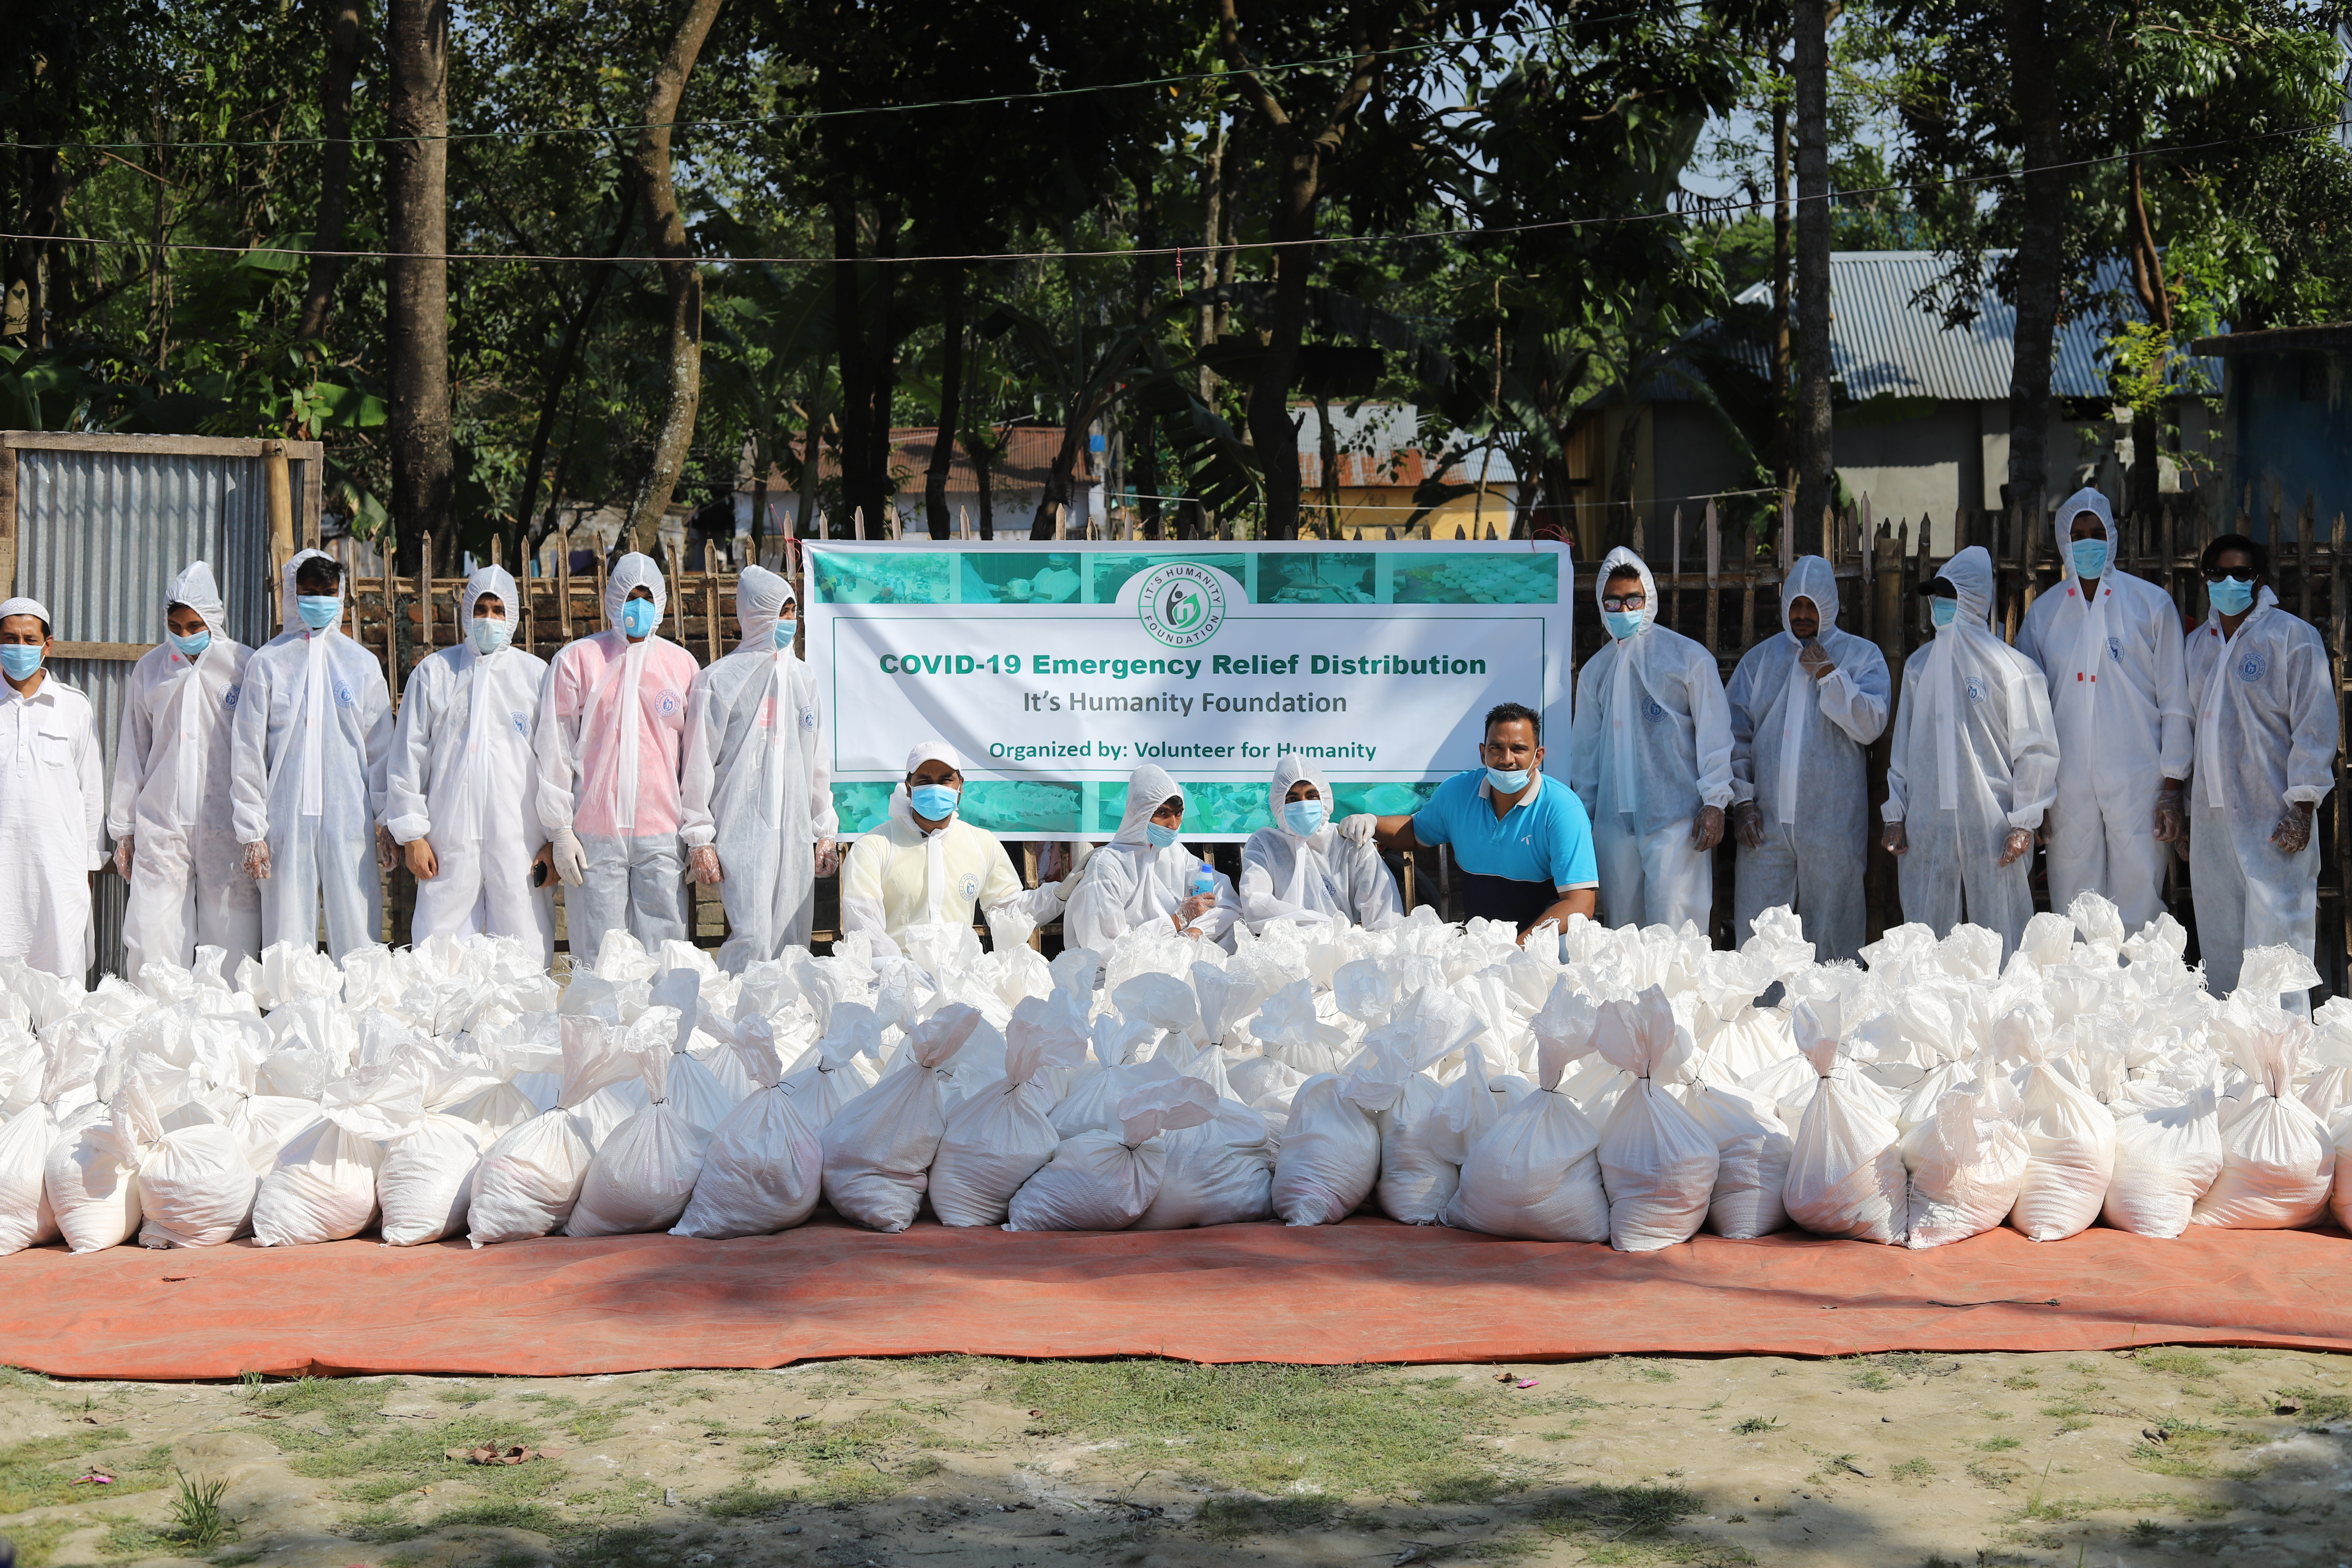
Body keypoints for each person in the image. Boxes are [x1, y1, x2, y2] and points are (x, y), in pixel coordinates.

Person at [2015, 487, 2191, 933]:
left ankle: (2140, 999)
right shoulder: (2045, 615)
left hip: (2139, 778)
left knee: (2140, 896)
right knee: (2074, 900)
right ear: (2063, 540)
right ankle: (2083, 999)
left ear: (2113, 536)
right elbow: (2027, 713)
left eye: (2097, 532)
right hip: (2066, 783)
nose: (2089, 542)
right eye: (2078, 534)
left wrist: (2173, 785)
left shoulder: (2150, 605)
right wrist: (2034, 797)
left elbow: (2175, 703)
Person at [1881, 545, 2060, 962]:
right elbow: (1904, 750)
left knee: (2001, 934)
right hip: (1928, 826)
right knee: (1926, 937)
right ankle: (1930, 1022)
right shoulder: (1918, 667)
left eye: (1949, 595)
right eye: (1935, 596)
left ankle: (2003, 1021)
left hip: (1994, 825)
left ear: (1975, 599)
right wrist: (1896, 814)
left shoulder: (2012, 668)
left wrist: (2024, 821)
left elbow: (2035, 750)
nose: (1938, 606)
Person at [2184, 534, 2338, 1013]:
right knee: (2222, 943)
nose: (2230, 582)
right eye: (2219, 573)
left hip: (2275, 818)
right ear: (2205, 579)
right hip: (2213, 822)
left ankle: (2284, 1065)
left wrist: (2304, 804)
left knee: (2278, 951)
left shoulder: (2291, 637)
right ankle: (2236, 1066)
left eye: (2242, 573)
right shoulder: (2197, 647)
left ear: (2260, 579)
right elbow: (2193, 730)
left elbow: (2314, 724)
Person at [534, 551, 701, 963]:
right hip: (594, 834)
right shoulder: (578, 661)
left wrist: (697, 836)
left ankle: (662, 1028)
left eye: (647, 597)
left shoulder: (682, 666)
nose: (639, 607)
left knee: (666, 955)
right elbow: (554, 747)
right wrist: (560, 830)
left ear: (661, 602)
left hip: (661, 831)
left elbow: (695, 760)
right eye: (630, 596)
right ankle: (599, 1030)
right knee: (598, 956)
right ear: (613, 599)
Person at [230, 550, 396, 960]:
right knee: (286, 935)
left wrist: (387, 820)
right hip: (284, 819)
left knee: (358, 928)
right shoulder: (268, 663)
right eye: (309, 593)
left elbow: (381, 751)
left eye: (328, 592)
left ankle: (360, 1019)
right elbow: (248, 750)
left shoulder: (361, 664)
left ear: (341, 596)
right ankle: (290, 1021)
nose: (319, 601)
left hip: (349, 818)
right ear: (293, 594)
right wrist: (252, 830)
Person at [1726, 556, 1890, 963]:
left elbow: (1871, 725)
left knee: (1834, 929)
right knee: (1759, 931)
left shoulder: (1861, 656)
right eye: (1795, 605)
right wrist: (1742, 802)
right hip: (1764, 824)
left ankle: (1831, 1018)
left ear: (1829, 607)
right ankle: (1758, 1020)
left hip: (1832, 826)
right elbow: (1733, 734)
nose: (1801, 615)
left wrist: (1830, 675)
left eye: (1811, 606)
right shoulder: (1761, 662)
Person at [386, 565, 554, 962]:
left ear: (512, 615)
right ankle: (444, 1025)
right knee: (439, 947)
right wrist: (412, 833)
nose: (490, 619)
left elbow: (555, 762)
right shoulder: (434, 673)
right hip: (447, 841)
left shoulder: (535, 677)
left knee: (524, 948)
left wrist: (553, 840)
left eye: (499, 610)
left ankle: (519, 1025)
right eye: (482, 608)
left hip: (520, 841)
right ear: (466, 612)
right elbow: (407, 756)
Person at [1566, 547, 1735, 931]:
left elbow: (1715, 734)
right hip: (1612, 826)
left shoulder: (1688, 658)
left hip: (1677, 821)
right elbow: (1586, 754)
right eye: (1613, 601)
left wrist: (1715, 802)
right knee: (1623, 934)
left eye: (1633, 599)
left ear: (1649, 599)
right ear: (1601, 603)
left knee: (1676, 932)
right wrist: (1588, 820)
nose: (1623, 610)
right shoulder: (1596, 671)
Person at [680, 566, 839, 972]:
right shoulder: (717, 681)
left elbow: (817, 761)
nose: (789, 621)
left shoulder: (806, 679)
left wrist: (824, 829)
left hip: (795, 829)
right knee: (750, 935)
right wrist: (700, 837)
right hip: (741, 829)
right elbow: (698, 763)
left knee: (794, 936)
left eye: (792, 611)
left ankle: (789, 1030)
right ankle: (741, 1027)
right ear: (755, 615)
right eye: (780, 612)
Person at [109, 561, 260, 981]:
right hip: (162, 824)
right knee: (153, 937)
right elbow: (134, 747)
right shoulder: (151, 669)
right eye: (175, 625)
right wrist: (123, 826)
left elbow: (258, 750)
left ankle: (228, 1035)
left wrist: (258, 826)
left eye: (195, 625)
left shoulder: (243, 667)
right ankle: (156, 1033)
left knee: (233, 939)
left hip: (226, 826)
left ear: (213, 619)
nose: (185, 634)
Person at [1340, 701, 1598, 939]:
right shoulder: (1457, 792)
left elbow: (1579, 902)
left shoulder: (1563, 810)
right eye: (1497, 748)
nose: (1507, 759)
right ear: (1483, 752)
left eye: (1519, 749)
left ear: (1538, 756)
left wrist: (1519, 948)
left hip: (1546, 950)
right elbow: (1417, 831)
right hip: (1480, 946)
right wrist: (1374, 823)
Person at [838, 740, 1076, 958]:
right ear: (909, 787)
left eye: (945, 780)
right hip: (895, 983)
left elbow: (1007, 912)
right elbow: (863, 924)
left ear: (960, 786)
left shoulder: (982, 843)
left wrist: (1056, 896)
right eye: (925, 781)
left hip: (962, 982)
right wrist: (900, 974)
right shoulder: (873, 847)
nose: (935, 788)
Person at [0, 596, 105, 977]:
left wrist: (88, 864)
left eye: (30, 639)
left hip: (58, 869)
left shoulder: (74, 707)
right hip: (4, 867)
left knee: (58, 976)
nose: (19, 647)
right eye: (10, 638)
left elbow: (91, 791)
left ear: (48, 645)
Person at [1065, 763, 1242, 950]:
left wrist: (1197, 929)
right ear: (1141, 813)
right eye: (1162, 813)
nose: (1173, 824)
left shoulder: (1175, 853)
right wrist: (1176, 922)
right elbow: (1103, 948)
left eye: (1178, 814)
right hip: (1120, 975)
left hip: (1172, 960)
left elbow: (1226, 901)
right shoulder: (1108, 866)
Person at [1237, 755, 1402, 932]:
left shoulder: (1350, 842)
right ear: (1279, 804)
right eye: (1292, 799)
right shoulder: (1264, 844)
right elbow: (1256, 906)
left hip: (1343, 951)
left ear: (1324, 798)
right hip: (1284, 950)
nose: (1304, 805)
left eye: (1312, 795)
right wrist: (1329, 928)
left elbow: (1384, 915)